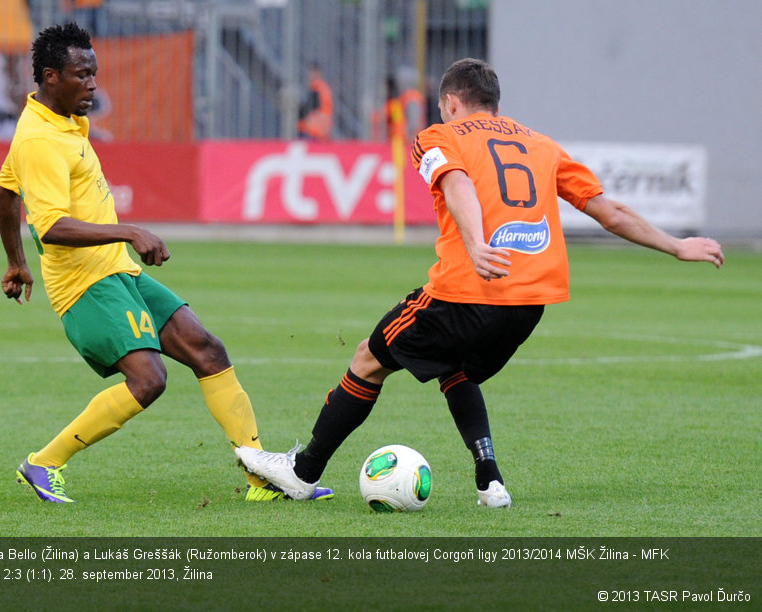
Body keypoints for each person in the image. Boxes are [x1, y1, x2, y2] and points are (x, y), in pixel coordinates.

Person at [236, 58, 724, 508]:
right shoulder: (541, 144)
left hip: (466, 290)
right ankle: (490, 481)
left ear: (450, 102)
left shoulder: (437, 135)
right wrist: (677, 245)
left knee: (368, 357)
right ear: (496, 103)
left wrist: (474, 243)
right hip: (530, 303)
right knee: (456, 368)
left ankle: (301, 473)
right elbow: (607, 210)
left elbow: (457, 183)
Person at [0, 22, 332, 504]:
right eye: (82, 75)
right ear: (50, 76)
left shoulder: (65, 121)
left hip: (118, 272)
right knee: (149, 380)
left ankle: (263, 479)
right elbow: (50, 226)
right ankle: (43, 463)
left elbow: (4, 190)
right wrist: (130, 231)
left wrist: (15, 262)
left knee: (207, 350)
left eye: (95, 73)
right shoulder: (39, 140)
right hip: (86, 285)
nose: (93, 85)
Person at [297, 62, 333, 141]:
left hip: (313, 130)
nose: (310, 75)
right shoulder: (323, 87)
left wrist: (298, 113)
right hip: (321, 129)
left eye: (312, 72)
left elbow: (312, 106)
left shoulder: (317, 87)